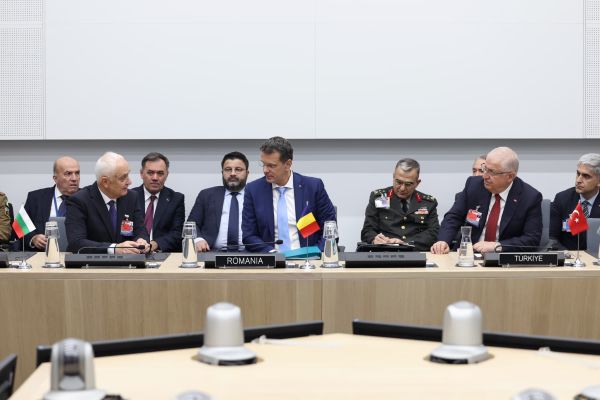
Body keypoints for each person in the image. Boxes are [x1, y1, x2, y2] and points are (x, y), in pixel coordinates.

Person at [431, 147, 542, 254]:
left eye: (492, 172)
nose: (485, 176)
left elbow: (532, 239)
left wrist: (497, 246)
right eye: (485, 168)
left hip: (502, 257)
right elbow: (454, 217)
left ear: (510, 176)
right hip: (468, 254)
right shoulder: (473, 185)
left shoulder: (530, 197)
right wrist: (443, 240)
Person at [242, 136, 336, 253]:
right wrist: (273, 254)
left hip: (308, 257)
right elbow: (249, 235)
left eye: (271, 165)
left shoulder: (313, 187)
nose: (265, 170)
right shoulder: (254, 190)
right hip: (272, 258)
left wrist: (315, 253)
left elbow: (330, 230)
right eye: (263, 164)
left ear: (287, 164)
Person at [66, 152, 149, 254]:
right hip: (93, 262)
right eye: (123, 178)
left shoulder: (131, 197)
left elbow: (140, 230)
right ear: (105, 182)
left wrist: (141, 241)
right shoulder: (79, 201)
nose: (129, 182)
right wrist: (114, 248)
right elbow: (76, 243)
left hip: (128, 261)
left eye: (128, 175)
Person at [360, 158, 439, 251]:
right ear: (393, 177)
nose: (402, 188)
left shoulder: (427, 203)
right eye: (399, 182)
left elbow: (433, 232)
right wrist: (374, 239)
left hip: (415, 252)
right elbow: (368, 230)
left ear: (417, 183)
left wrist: (406, 244)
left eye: (408, 184)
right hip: (385, 252)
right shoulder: (380, 198)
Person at [188, 152, 249, 252]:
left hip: (250, 254)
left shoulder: (256, 196)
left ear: (247, 173)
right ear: (222, 172)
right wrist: (198, 239)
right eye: (228, 169)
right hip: (211, 252)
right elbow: (191, 224)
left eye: (238, 169)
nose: (233, 173)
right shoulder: (206, 195)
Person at [19, 156, 80, 251]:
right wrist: (33, 238)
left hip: (77, 254)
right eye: (68, 174)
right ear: (55, 178)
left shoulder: (88, 199)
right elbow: (20, 227)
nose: (74, 178)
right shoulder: (35, 198)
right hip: (42, 254)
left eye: (77, 173)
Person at [132, 152, 185, 252]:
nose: (155, 178)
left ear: (167, 175)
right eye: (150, 173)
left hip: (161, 253)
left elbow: (177, 233)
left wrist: (154, 244)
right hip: (133, 252)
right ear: (141, 173)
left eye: (160, 173)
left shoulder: (176, 199)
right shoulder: (129, 197)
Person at [549, 153, 600, 250]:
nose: (579, 180)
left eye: (586, 176)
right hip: (569, 256)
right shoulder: (562, 199)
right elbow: (552, 238)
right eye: (578, 174)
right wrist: (568, 255)